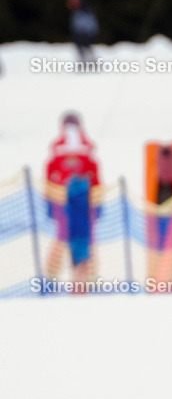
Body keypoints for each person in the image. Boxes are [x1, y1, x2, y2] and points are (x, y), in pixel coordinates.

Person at [45, 112, 101, 278]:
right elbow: (95, 176)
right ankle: (86, 275)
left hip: (66, 200)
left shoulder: (59, 148)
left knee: (64, 236)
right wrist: (97, 201)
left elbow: (50, 174)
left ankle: (53, 273)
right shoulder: (85, 148)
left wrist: (50, 200)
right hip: (80, 201)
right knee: (85, 238)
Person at [67, 0, 99, 64]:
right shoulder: (77, 12)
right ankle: (84, 60)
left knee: (86, 47)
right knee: (81, 47)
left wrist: (89, 32)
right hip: (80, 33)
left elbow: (91, 24)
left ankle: (90, 60)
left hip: (86, 33)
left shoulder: (85, 12)